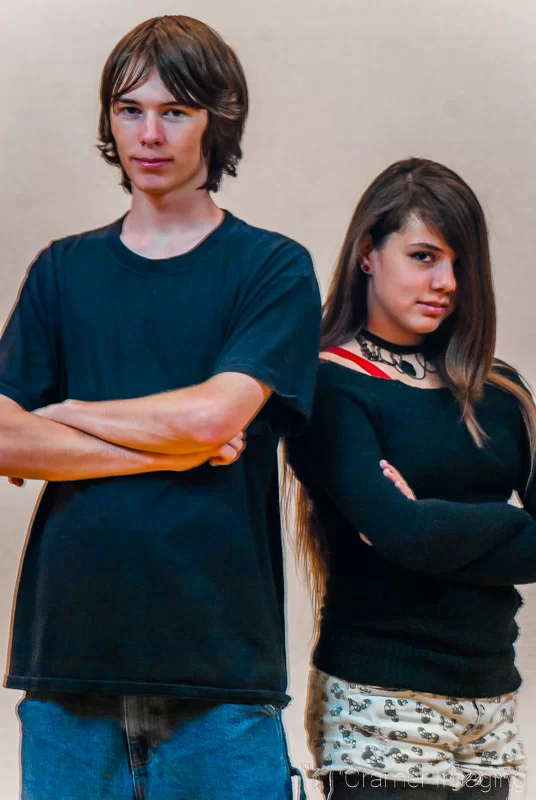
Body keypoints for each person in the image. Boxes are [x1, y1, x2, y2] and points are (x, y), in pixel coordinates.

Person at [0, 15, 321, 800]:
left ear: (219, 120)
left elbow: (215, 419)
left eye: (175, 111)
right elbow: (5, 437)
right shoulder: (62, 270)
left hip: (219, 682)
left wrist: (69, 411)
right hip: (69, 672)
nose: (149, 133)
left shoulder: (272, 268)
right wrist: (170, 444)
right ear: (109, 121)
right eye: (129, 109)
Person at [285, 157, 536, 799]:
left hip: (491, 703)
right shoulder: (329, 386)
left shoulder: (500, 389)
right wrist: (511, 522)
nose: (447, 281)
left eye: (459, 262)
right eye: (424, 256)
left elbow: (411, 533)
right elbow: (403, 536)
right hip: (379, 700)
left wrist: (424, 521)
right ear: (369, 253)